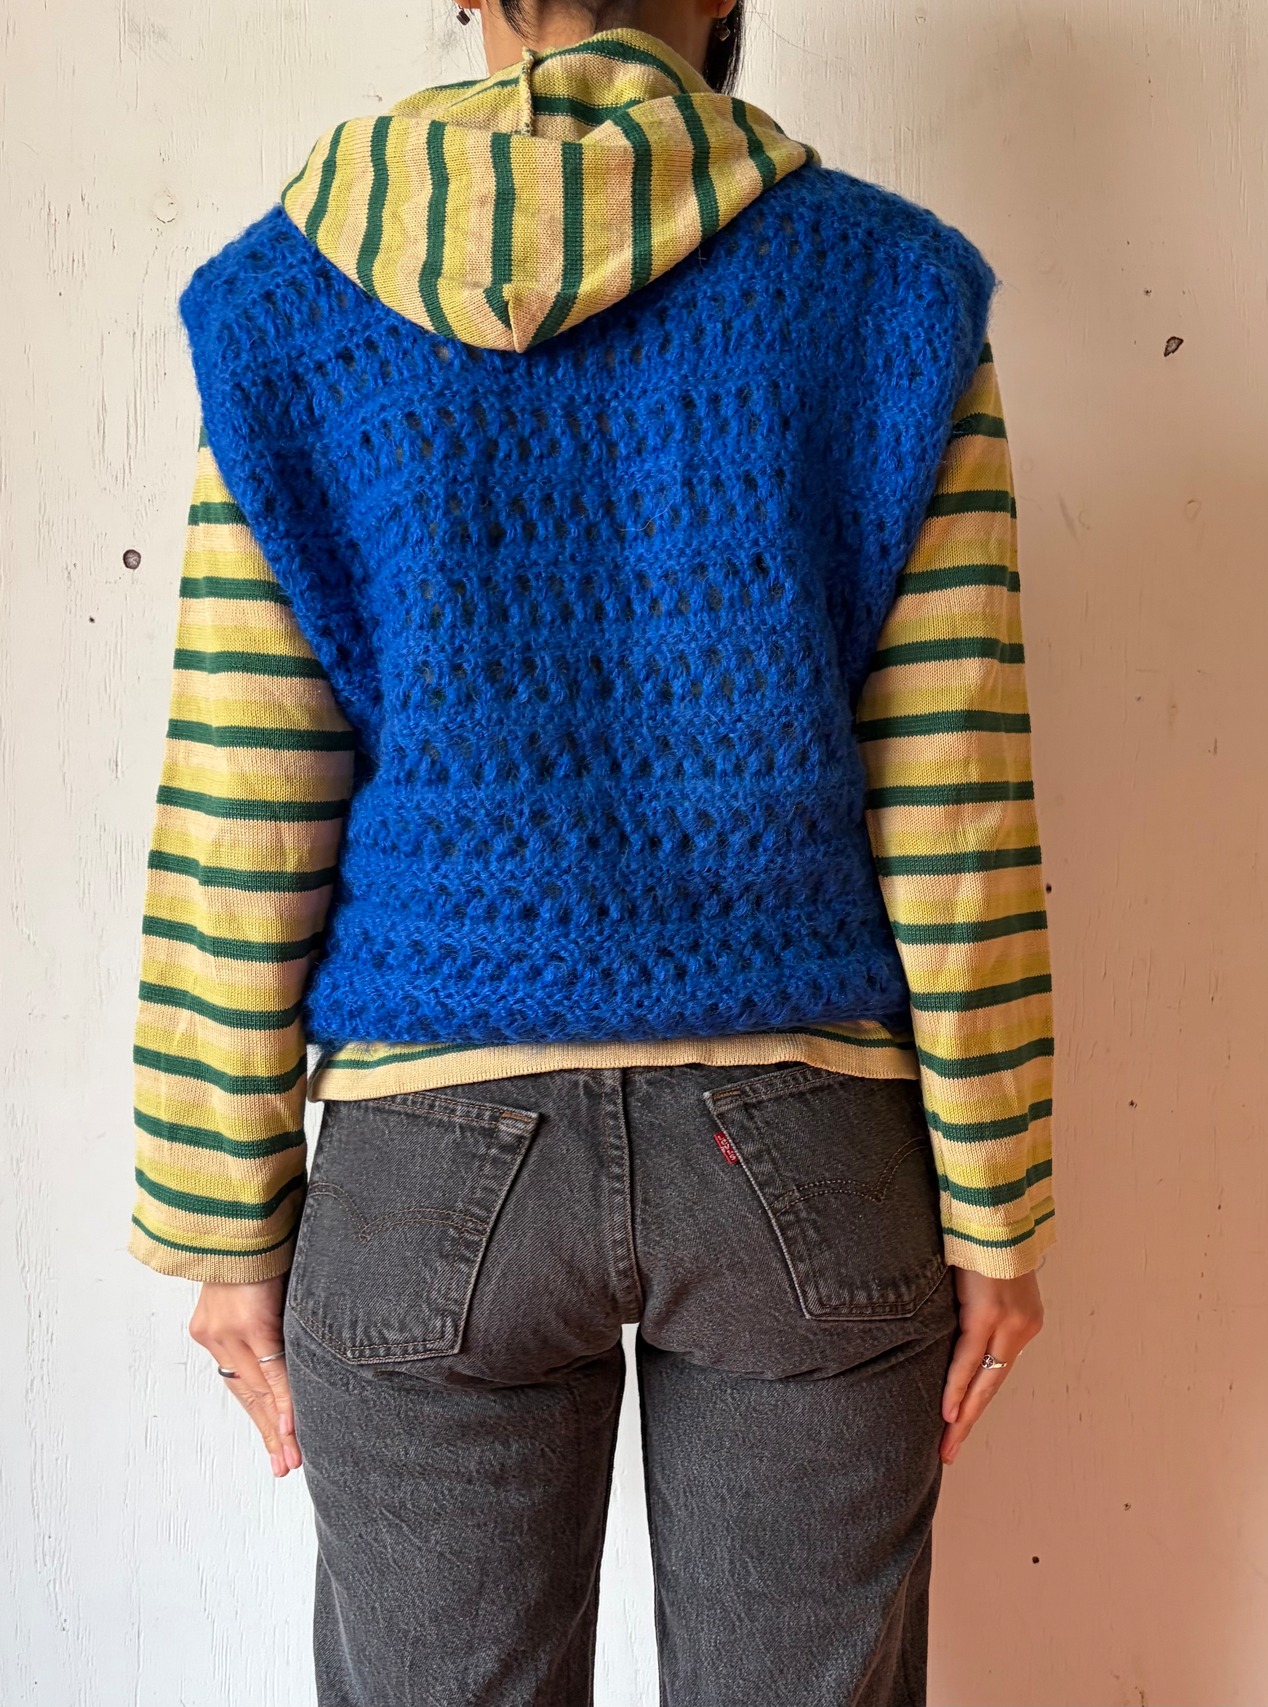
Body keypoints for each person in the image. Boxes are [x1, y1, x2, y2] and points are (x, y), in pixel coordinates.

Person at [128, 1, 1054, 1701]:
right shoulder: (892, 291)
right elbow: (955, 796)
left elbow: (244, 797)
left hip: (426, 1153)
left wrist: (221, 1216)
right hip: (805, 1139)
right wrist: (996, 1204)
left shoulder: (285, 308)